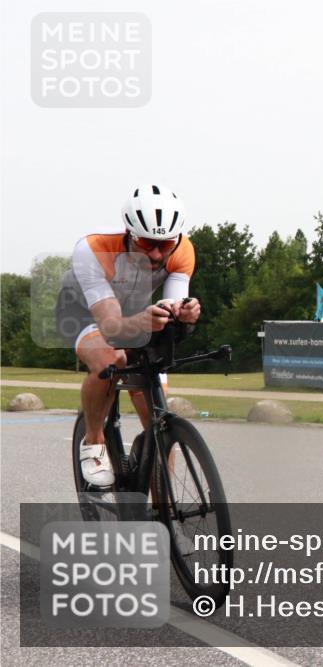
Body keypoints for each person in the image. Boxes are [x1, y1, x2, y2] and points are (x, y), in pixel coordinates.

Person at [56, 184, 201, 487]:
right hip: (82, 309)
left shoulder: (183, 250)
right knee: (111, 358)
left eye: (166, 243)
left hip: (135, 309)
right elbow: (110, 326)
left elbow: (171, 305)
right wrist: (142, 321)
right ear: (129, 233)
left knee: (156, 415)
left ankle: (165, 518)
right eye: (148, 243)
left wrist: (183, 315)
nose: (158, 253)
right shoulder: (94, 249)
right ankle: (93, 441)